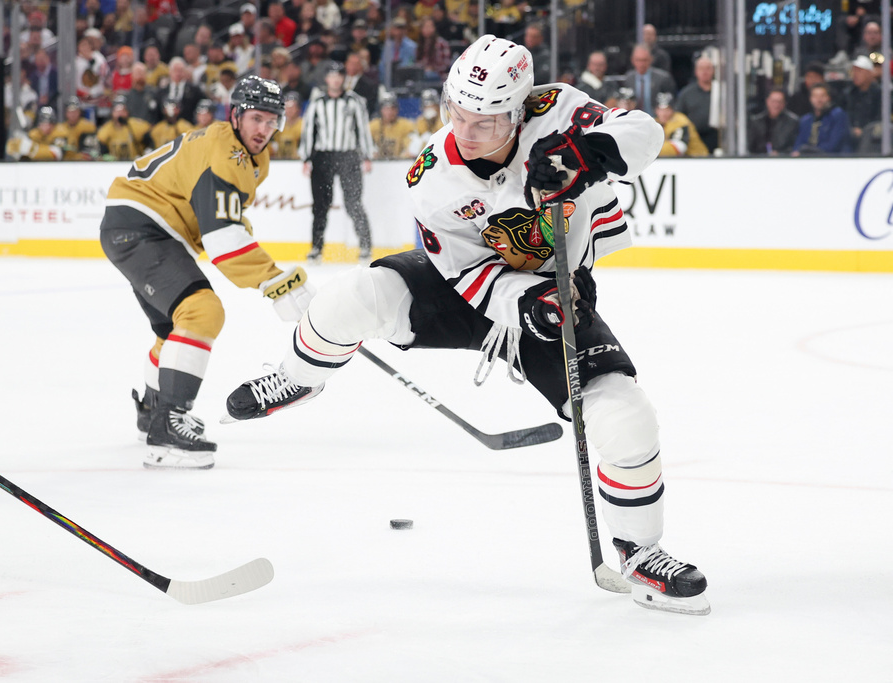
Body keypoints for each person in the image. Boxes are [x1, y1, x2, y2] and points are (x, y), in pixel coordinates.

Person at [224, 34, 710, 616]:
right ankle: (298, 376)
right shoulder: (434, 176)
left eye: (486, 121)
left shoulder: (556, 109)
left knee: (627, 417)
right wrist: (517, 300)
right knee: (353, 296)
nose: (468, 131)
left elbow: (645, 133)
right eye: (459, 114)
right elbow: (463, 271)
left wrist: (587, 154)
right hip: (470, 286)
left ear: (519, 108)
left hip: (556, 292)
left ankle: (640, 552)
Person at [100, 75, 314, 469]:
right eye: (256, 119)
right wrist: (273, 280)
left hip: (140, 227)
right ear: (235, 115)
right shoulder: (226, 153)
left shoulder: (245, 153)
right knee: (203, 312)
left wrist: (260, 265)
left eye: (272, 122)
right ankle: (168, 428)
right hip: (143, 228)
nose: (264, 130)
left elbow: (223, 216)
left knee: (174, 328)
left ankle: (153, 410)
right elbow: (222, 240)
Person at [299, 61, 375, 263]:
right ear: (326, 79)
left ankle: (365, 245)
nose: (335, 79)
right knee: (321, 205)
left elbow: (362, 129)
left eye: (339, 75)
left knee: (353, 203)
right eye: (332, 76)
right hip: (323, 157)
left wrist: (366, 155)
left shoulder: (354, 101)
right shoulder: (317, 103)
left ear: (343, 78)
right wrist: (306, 157)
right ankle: (316, 248)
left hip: (348, 156)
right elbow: (309, 131)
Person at [672, 56, 719, 152]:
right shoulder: (687, 93)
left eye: (708, 68)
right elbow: (679, 116)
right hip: (694, 139)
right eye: (701, 68)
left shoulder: (721, 91)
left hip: (718, 138)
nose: (705, 72)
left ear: (713, 71)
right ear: (696, 71)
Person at [792, 83, 853, 155]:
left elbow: (833, 145)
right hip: (808, 159)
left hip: (833, 159)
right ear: (810, 99)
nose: (819, 99)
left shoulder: (838, 115)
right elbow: (798, 143)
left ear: (829, 98)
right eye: (815, 96)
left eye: (822, 96)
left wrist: (809, 151)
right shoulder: (805, 120)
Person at [623, 43, 676, 116]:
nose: (641, 64)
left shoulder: (663, 78)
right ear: (632, 60)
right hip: (634, 120)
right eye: (638, 60)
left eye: (644, 60)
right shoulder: (628, 78)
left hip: (656, 120)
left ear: (651, 59)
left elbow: (671, 103)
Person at [843, 54, 881, 148]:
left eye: (859, 71)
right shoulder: (848, 93)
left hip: (872, 138)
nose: (855, 74)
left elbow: (879, 118)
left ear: (869, 73)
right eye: (854, 70)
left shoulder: (879, 94)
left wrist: (864, 130)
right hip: (849, 135)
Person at [96, 95, 153, 160]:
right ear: (112, 113)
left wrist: (145, 155)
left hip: (135, 163)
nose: (120, 114)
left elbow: (150, 145)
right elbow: (102, 152)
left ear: (127, 112)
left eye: (122, 111)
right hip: (114, 165)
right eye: (117, 111)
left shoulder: (137, 126)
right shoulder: (106, 129)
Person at [747, 87, 799, 155]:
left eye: (780, 102)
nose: (776, 105)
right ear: (767, 101)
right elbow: (750, 147)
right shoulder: (756, 122)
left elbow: (794, 147)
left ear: (784, 103)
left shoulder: (793, 122)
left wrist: (780, 154)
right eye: (773, 101)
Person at [371, 93, 416, 159]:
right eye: (386, 109)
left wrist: (407, 153)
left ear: (397, 110)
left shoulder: (406, 125)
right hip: (377, 164)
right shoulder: (373, 126)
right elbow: (366, 144)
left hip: (399, 164)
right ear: (381, 110)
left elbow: (411, 147)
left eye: (392, 109)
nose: (389, 112)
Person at [271, 91, 303, 159]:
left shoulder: (303, 125)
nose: (289, 110)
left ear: (298, 109)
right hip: (279, 161)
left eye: (292, 107)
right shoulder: (278, 124)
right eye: (287, 106)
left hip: (298, 161)